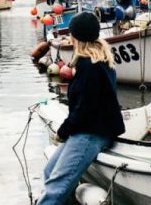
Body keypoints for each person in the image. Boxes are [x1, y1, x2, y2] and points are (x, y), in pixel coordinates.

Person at [38, 12, 125, 205]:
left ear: (76, 37)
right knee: (50, 171)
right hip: (90, 129)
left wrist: (63, 131)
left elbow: (84, 109)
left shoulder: (89, 67)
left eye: (71, 34)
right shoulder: (100, 61)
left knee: (55, 188)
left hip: (90, 133)